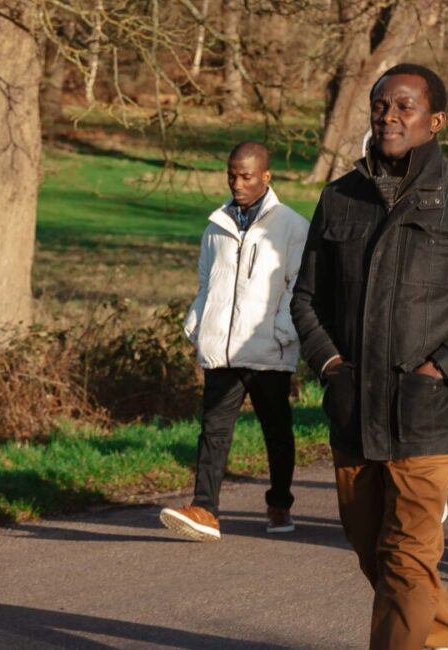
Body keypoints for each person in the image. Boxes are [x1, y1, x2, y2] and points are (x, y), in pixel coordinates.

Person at [292, 63, 448, 650]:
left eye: (404, 107)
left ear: (435, 121)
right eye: (380, 106)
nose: (389, 116)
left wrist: (440, 369)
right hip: (354, 412)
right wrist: (329, 367)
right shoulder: (339, 198)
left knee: (404, 557)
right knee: (377, 552)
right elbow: (304, 300)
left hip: (428, 419)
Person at [161, 142, 308, 542]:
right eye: (231, 175)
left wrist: (282, 333)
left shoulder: (293, 227)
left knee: (276, 431)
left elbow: (299, 288)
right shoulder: (216, 227)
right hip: (222, 350)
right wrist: (197, 322)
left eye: (245, 176)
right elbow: (207, 283)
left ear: (266, 176)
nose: (237, 183)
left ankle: (280, 504)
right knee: (213, 430)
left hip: (267, 351)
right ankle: (205, 509)